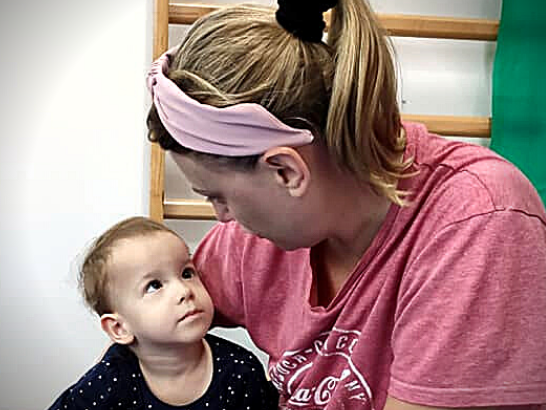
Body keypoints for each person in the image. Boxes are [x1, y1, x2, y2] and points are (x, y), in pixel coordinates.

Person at [145, 0, 546, 409]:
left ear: (286, 171)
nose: (222, 217)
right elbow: (138, 318)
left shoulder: (479, 222)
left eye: (219, 196)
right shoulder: (258, 240)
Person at [46, 216, 278, 410]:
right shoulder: (108, 380)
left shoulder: (240, 370)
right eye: (154, 285)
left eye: (187, 273)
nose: (184, 291)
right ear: (119, 328)